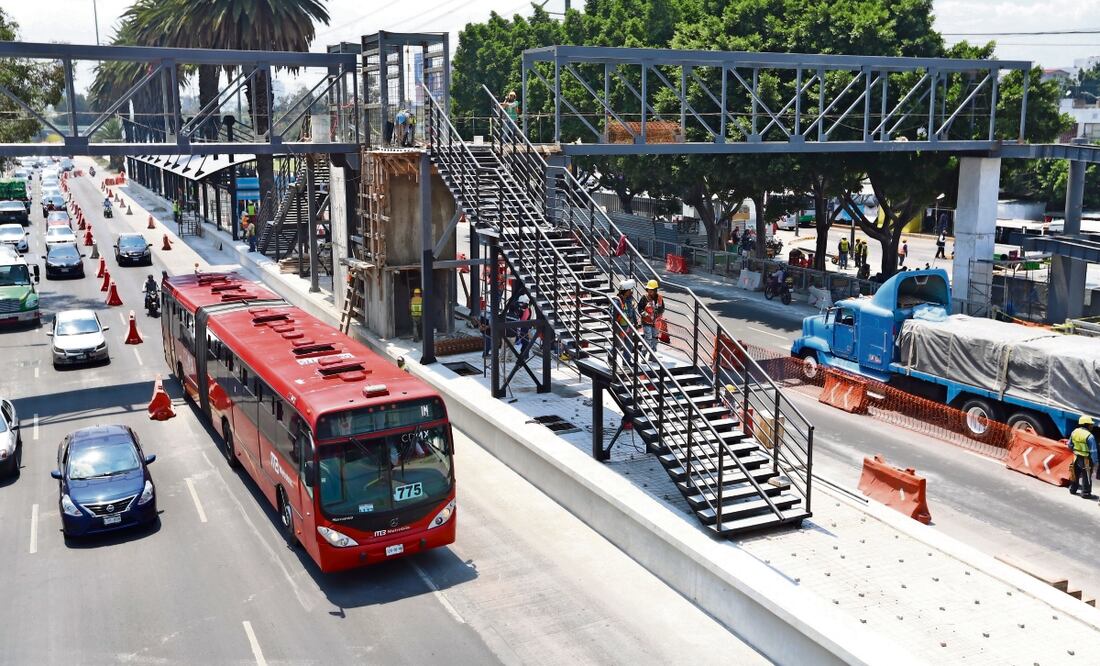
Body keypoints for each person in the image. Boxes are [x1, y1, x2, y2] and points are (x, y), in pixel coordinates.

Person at [1068, 415, 1098, 499]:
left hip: (1075, 457)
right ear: (1086, 424)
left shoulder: (1074, 432)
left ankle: (1073, 489)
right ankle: (1086, 493)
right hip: (1086, 459)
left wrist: (1075, 451)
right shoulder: (1090, 436)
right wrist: (1095, 462)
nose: (1092, 426)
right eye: (1090, 424)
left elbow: (1069, 445)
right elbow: (1093, 451)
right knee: (1086, 476)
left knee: (1074, 474)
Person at [610, 279, 638, 367]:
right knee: (618, 344)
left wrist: (635, 322)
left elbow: (632, 311)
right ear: (625, 290)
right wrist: (615, 326)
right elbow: (612, 314)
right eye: (630, 290)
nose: (631, 292)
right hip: (620, 326)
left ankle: (627, 361)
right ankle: (611, 358)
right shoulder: (617, 301)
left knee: (629, 344)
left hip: (629, 325)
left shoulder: (629, 300)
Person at [637, 279, 665, 349]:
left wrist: (658, 311)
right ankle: (643, 354)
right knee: (648, 338)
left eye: (651, 289)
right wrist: (645, 314)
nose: (650, 291)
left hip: (656, 322)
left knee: (655, 337)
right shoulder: (644, 298)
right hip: (646, 322)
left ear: (655, 290)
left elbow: (662, 308)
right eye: (648, 289)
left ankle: (652, 355)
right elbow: (640, 309)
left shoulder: (660, 298)